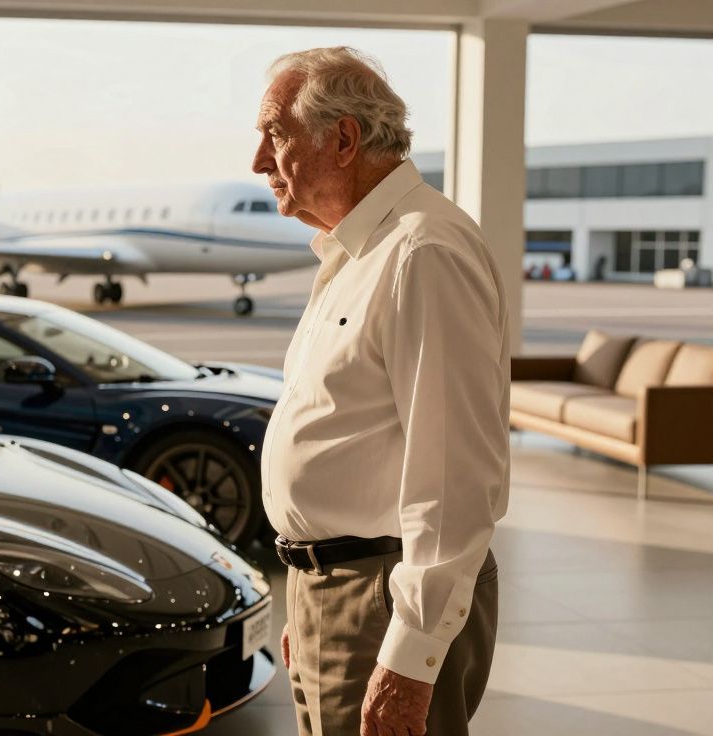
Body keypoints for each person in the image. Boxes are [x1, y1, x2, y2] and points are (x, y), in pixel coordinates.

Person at [252, 47, 509, 736]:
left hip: (380, 596)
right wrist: (311, 606)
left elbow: (457, 477)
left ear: (342, 140)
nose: (257, 161)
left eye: (274, 134)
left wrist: (410, 656)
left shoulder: (423, 253)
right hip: (338, 594)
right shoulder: (357, 255)